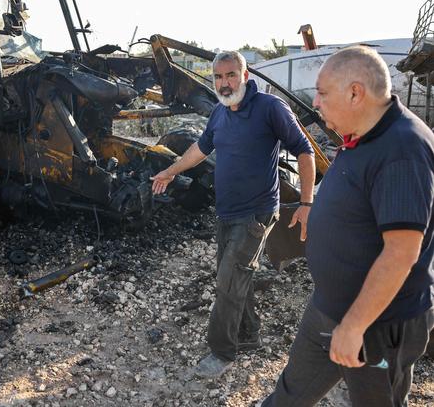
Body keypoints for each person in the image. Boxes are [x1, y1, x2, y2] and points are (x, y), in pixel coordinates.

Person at [261, 46, 434, 406]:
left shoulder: (403, 150)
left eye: (323, 94)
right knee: (289, 395)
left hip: (378, 325)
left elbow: (402, 253)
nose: (317, 104)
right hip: (329, 306)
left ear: (356, 92)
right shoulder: (362, 133)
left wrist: (354, 326)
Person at [151, 51, 316, 378]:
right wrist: (170, 170)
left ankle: (222, 352)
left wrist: (308, 203)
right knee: (238, 276)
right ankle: (249, 335)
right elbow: (200, 149)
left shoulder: (270, 108)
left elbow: (304, 151)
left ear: (245, 76)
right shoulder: (219, 113)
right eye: (218, 77)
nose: (224, 84)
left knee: (228, 280)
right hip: (226, 212)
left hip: (256, 213)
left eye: (230, 75)